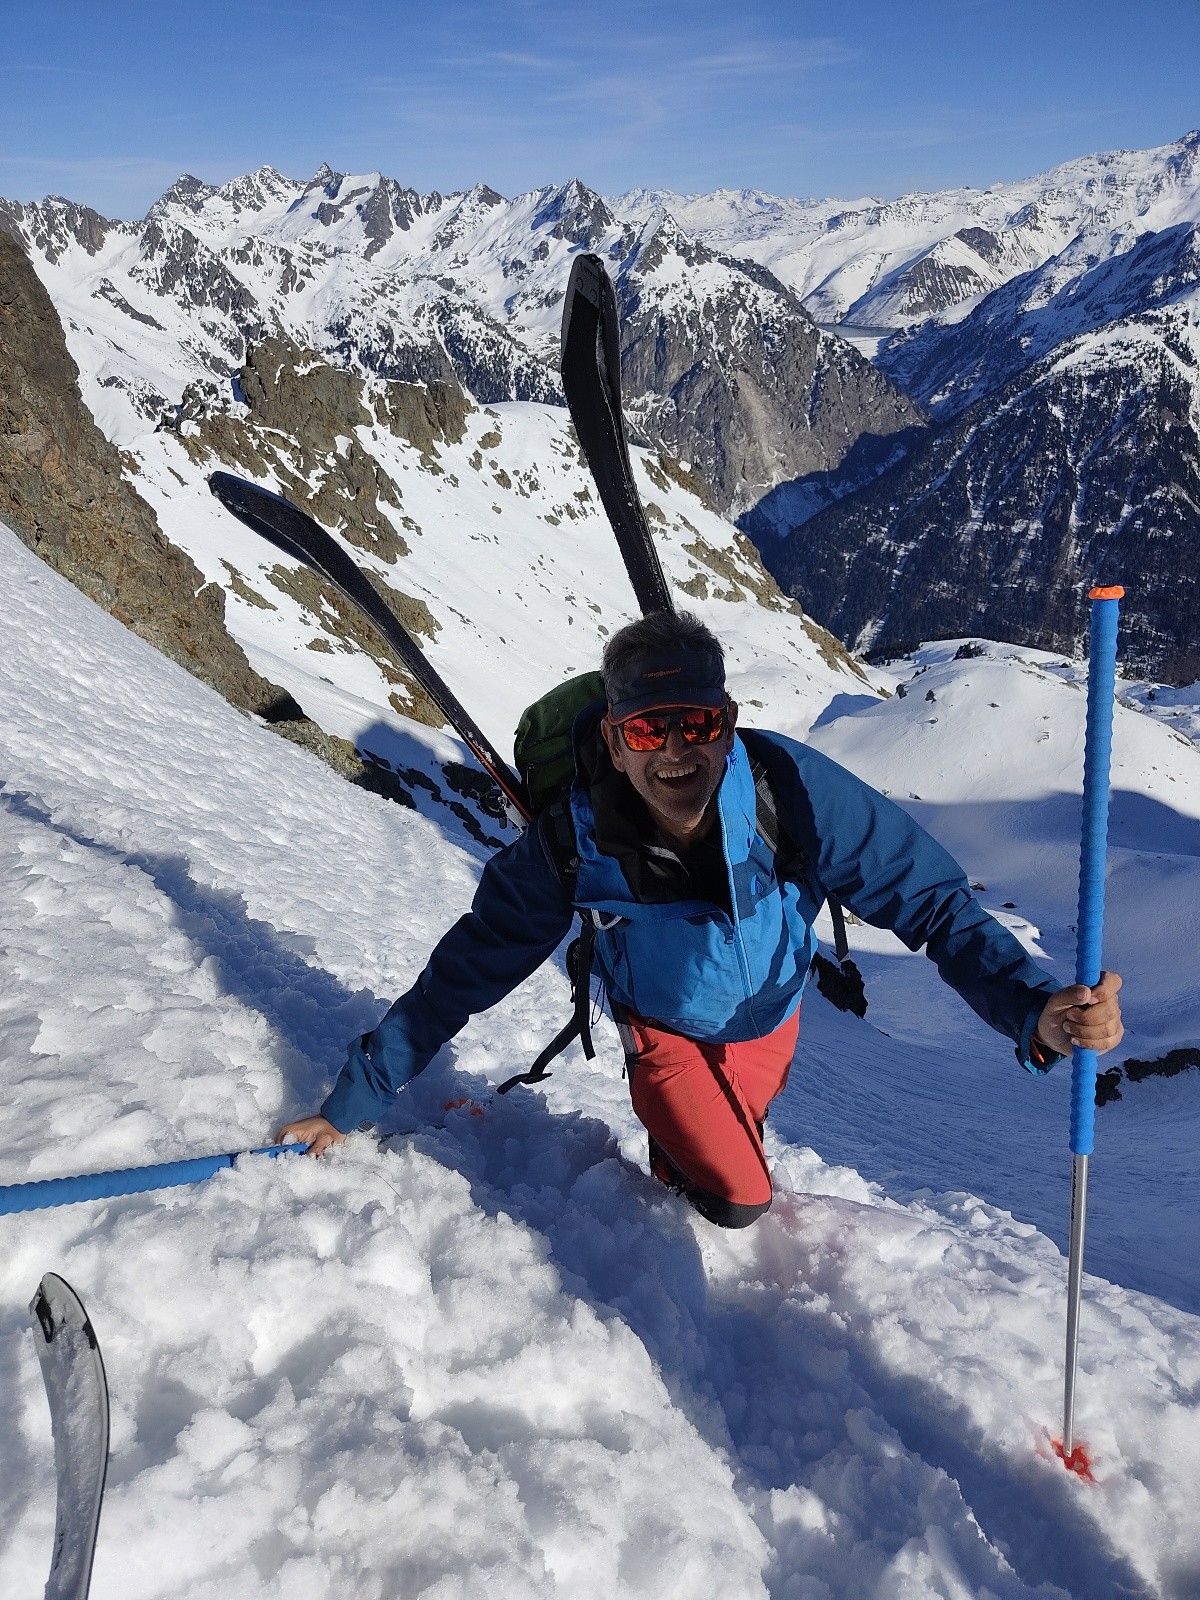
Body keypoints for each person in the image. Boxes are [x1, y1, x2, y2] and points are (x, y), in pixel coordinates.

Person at [280, 612, 1124, 1227]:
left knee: (739, 1131)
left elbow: (930, 901)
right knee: (740, 1200)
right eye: (649, 730)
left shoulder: (787, 790)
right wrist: (350, 1104)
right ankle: (676, 1144)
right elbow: (461, 975)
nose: (676, 751)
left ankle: (693, 1140)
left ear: (727, 727)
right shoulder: (569, 844)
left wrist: (1033, 1006)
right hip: (667, 1033)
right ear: (614, 743)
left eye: (698, 724)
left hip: (773, 1020)